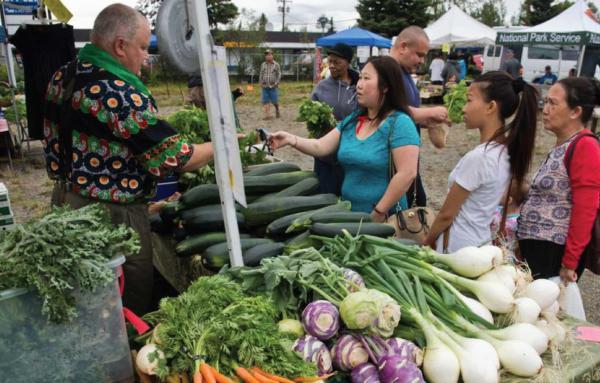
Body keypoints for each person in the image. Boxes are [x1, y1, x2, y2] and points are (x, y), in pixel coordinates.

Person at [43, 4, 215, 315]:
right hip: (113, 217)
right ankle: (124, 353)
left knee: (82, 291)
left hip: (66, 202)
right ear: (120, 46)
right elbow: (176, 158)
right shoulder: (118, 91)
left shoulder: (63, 75)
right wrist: (220, 145)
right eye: (142, 47)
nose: (147, 56)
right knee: (129, 294)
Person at [268, 56, 420, 219]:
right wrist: (290, 139)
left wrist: (378, 212)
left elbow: (407, 174)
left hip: (385, 221)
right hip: (349, 216)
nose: (359, 84)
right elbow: (320, 146)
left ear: (385, 87)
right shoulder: (353, 120)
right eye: (360, 77)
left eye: (366, 78)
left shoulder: (400, 123)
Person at [424, 72, 538, 253]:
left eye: (469, 100)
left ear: (490, 107)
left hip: (457, 247)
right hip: (480, 242)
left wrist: (427, 242)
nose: (464, 109)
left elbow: (446, 215)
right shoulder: (505, 151)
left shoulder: (480, 157)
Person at [517, 77, 600, 283]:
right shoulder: (563, 144)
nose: (545, 109)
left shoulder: (585, 146)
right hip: (538, 247)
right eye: (545, 102)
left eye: (553, 103)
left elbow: (585, 208)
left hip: (553, 252)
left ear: (575, 112)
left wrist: (570, 262)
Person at [389, 26, 450, 207]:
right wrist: (431, 112)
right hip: (392, 158)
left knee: (417, 205)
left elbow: (407, 114)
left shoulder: (405, 72)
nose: (422, 61)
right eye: (419, 54)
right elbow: (392, 112)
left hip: (407, 156)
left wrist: (427, 121)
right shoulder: (387, 71)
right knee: (411, 209)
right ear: (403, 46)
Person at [310, 43, 359, 195]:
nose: (331, 66)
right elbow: (311, 121)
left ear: (347, 62)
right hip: (326, 158)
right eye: (329, 61)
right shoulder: (321, 88)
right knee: (325, 198)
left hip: (352, 157)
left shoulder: (360, 85)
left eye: (336, 62)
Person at [490, 180, 530, 263]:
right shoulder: (495, 210)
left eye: (501, 190)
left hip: (506, 258)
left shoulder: (516, 222)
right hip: (489, 250)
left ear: (509, 200)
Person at [259, 49, 281, 119]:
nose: (268, 56)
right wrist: (260, 82)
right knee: (266, 101)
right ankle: (267, 115)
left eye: (269, 55)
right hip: (265, 86)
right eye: (266, 55)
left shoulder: (276, 65)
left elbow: (279, 74)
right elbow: (261, 73)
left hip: (273, 86)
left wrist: (277, 83)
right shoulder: (263, 64)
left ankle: (277, 110)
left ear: (272, 55)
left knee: (275, 101)